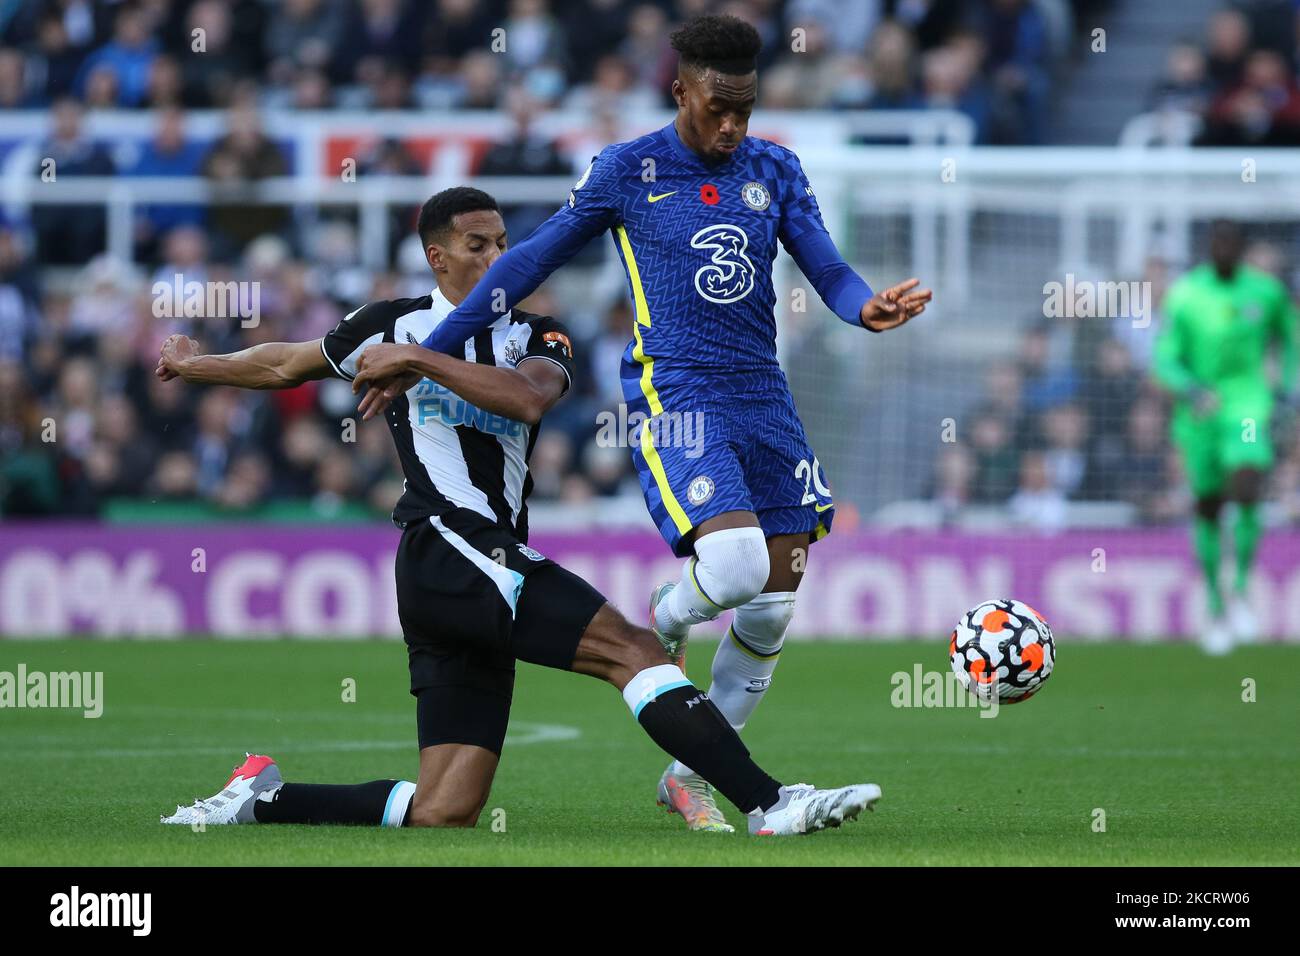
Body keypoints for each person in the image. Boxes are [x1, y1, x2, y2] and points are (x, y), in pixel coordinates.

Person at [155, 186, 880, 836]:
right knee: (631, 648)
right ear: (437, 258)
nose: (500, 256)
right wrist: (196, 366)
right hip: (447, 543)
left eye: (505, 243)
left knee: (447, 807)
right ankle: (769, 803)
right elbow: (286, 362)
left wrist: (418, 362)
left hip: (474, 564)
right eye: (479, 246)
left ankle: (261, 800)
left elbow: (529, 397)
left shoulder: (539, 333)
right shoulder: (388, 323)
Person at [355, 14, 929, 832]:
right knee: (730, 571)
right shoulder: (630, 169)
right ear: (680, 90)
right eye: (717, 108)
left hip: (764, 396)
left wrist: (864, 308)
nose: (733, 126)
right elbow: (528, 261)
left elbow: (826, 266)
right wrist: (425, 350)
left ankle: (691, 778)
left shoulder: (775, 167)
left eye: (746, 109)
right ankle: (666, 612)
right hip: (680, 390)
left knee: (771, 606)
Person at [1154, 220, 1297, 654]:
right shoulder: (1185, 295)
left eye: (1233, 245)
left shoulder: (1266, 292)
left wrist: (1286, 387)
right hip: (1199, 413)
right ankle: (1217, 606)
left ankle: (1240, 587)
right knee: (1209, 507)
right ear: (1208, 249)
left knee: (1249, 477)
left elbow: (1290, 340)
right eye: (1218, 244)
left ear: (1242, 249)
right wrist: (1191, 388)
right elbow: (1163, 359)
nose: (1225, 251)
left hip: (1247, 403)